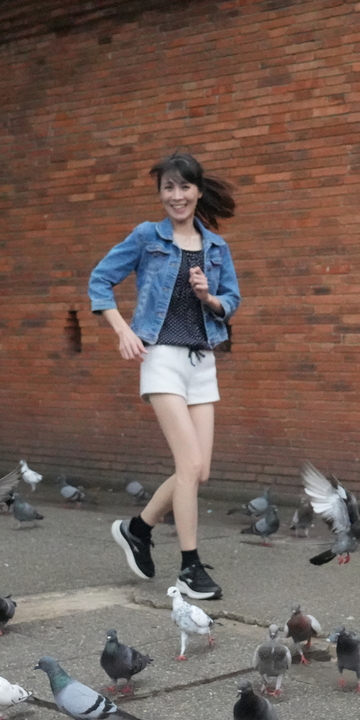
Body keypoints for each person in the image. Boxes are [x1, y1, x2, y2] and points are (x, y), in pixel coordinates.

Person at [90, 151, 241, 600]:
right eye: (168, 188)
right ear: (160, 194)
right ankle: (190, 568)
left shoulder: (216, 247)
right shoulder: (146, 237)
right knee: (188, 465)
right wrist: (123, 331)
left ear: (198, 191)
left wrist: (209, 298)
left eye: (184, 187)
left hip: (202, 361)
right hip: (160, 359)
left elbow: (231, 300)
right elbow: (100, 281)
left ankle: (137, 529)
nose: (177, 196)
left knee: (200, 471)